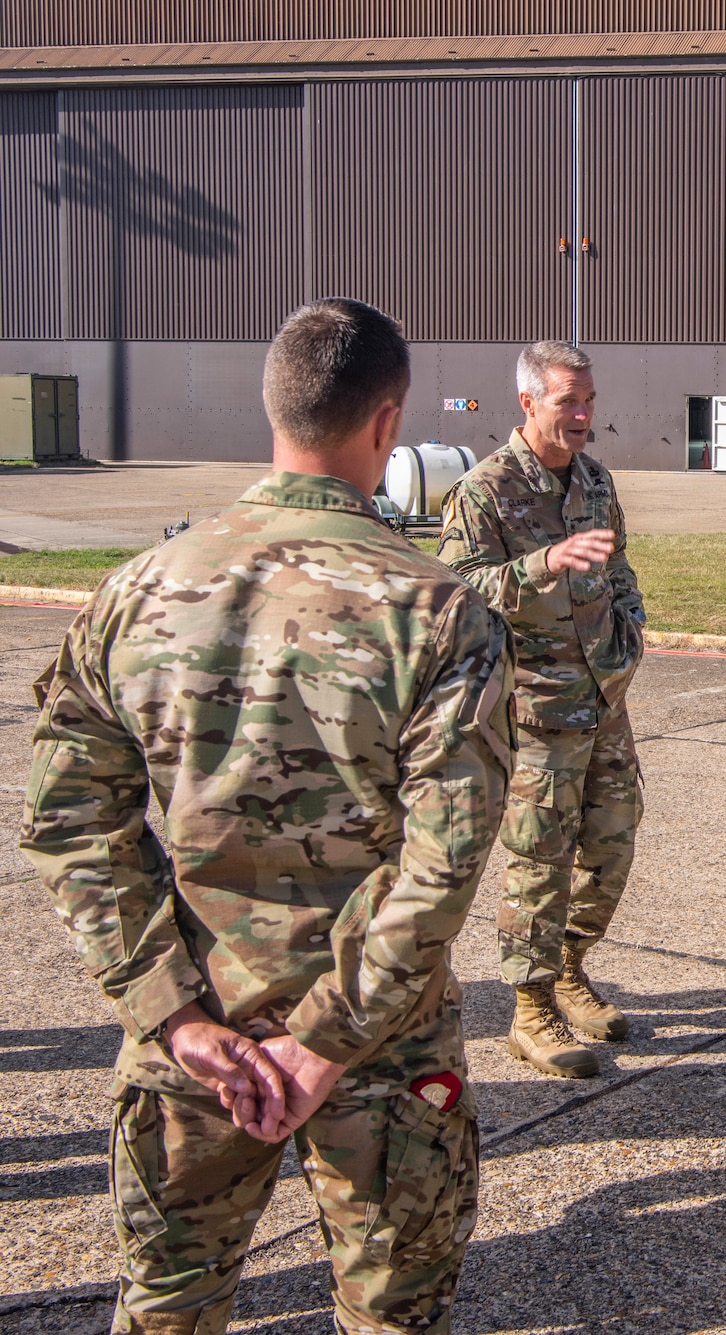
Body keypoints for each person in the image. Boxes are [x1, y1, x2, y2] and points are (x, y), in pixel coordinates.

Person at [20, 298, 513, 1331]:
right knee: (392, 1314)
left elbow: (70, 820)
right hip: (379, 1047)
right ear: (388, 423)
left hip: (197, 1036)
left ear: (271, 405)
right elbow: (445, 856)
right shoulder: (436, 610)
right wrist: (326, 1040)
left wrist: (173, 1013)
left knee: (169, 1306)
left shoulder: (136, 591)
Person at [437, 340, 646, 1079]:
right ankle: (530, 1010)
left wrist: (629, 633)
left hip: (603, 700)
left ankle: (569, 966)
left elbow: (620, 567)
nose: (584, 413)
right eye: (568, 401)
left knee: (612, 843)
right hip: (534, 710)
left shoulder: (594, 479)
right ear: (529, 403)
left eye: (589, 398)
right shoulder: (484, 491)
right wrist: (542, 564)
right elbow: (457, 591)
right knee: (538, 858)